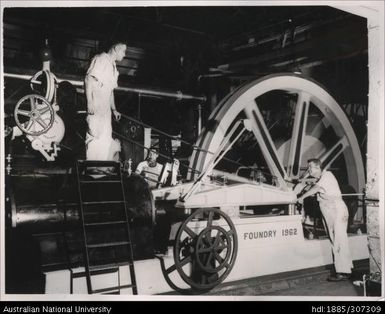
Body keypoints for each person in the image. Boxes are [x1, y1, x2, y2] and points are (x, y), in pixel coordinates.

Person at [297, 158, 353, 282]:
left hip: (336, 210)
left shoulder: (327, 175)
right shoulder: (321, 179)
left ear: (318, 167)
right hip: (330, 211)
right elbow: (317, 189)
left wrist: (302, 197)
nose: (309, 170)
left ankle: (343, 272)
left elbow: (316, 188)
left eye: (311, 167)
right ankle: (345, 269)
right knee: (336, 240)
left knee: (339, 240)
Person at [84, 42, 126, 161]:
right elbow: (88, 80)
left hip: (106, 109)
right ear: (115, 49)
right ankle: (91, 170)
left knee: (105, 139)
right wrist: (89, 103)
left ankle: (100, 171)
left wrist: (114, 109)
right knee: (95, 137)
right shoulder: (101, 59)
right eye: (123, 51)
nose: (124, 55)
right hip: (96, 105)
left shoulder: (113, 67)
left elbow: (110, 90)